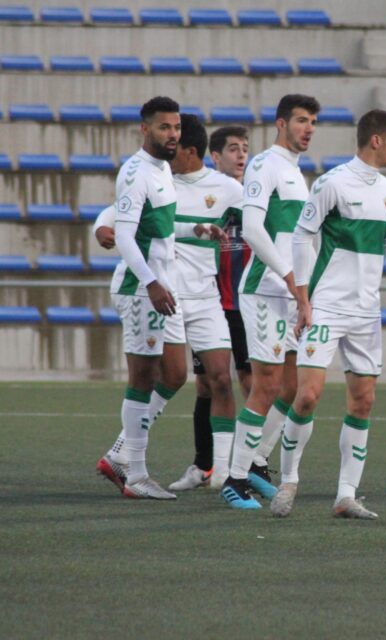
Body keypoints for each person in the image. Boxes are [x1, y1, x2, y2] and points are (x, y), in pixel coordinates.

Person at [268, 108, 386, 520]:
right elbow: (302, 235)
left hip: (366, 312)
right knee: (308, 394)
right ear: (376, 141)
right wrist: (303, 297)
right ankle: (289, 480)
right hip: (327, 307)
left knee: (363, 401)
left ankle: (345, 495)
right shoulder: (332, 183)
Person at [93, 97, 222, 500]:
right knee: (143, 378)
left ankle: (119, 457)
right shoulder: (135, 173)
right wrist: (150, 282)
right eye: (164, 127)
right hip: (142, 289)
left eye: (176, 127)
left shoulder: (162, 169)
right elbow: (127, 236)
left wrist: (194, 230)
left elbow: (158, 231)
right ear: (144, 130)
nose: (173, 134)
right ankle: (135, 475)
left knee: (175, 374)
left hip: (163, 287)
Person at [220, 94, 321, 509]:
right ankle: (234, 478)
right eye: (301, 120)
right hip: (265, 289)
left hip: (292, 294)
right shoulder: (264, 164)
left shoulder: (299, 173)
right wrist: (293, 281)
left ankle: (257, 461)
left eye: (313, 121)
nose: (308, 128)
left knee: (293, 385)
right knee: (266, 384)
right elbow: (253, 230)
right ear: (281, 124)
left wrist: (307, 289)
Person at [178, 124, 252, 491]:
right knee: (206, 384)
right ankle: (203, 465)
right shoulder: (201, 193)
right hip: (210, 301)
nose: (241, 155)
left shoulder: (245, 195)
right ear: (215, 155)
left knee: (251, 382)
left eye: (245, 149)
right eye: (233, 149)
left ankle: (251, 465)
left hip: (245, 304)